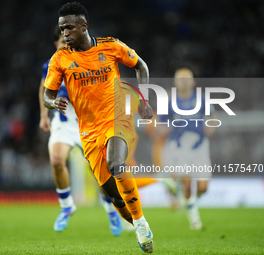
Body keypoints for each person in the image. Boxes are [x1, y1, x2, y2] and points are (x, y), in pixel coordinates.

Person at [43, 2, 154, 253]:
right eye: (62, 29)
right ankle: (139, 221)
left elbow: (141, 65)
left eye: (70, 28)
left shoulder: (111, 46)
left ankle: (139, 222)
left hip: (117, 117)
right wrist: (53, 103)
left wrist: (145, 99)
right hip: (88, 130)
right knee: (114, 196)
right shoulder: (60, 59)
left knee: (116, 164)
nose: (65, 34)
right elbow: (46, 95)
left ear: (84, 26)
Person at [39, 25, 122, 236]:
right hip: (64, 122)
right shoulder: (52, 64)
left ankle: (110, 210)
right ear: (56, 44)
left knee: (98, 171)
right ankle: (67, 205)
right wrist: (43, 115)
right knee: (57, 160)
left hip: (89, 121)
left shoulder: (87, 58)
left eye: (69, 41)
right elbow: (44, 89)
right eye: (62, 41)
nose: (66, 44)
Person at [158, 67, 217, 229]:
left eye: (186, 79)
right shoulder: (169, 101)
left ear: (193, 82)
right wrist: (164, 129)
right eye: (180, 79)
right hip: (179, 147)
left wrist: (210, 126)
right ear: (175, 82)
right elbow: (160, 122)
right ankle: (195, 220)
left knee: (203, 188)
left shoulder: (201, 99)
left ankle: (185, 200)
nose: (184, 82)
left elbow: (212, 115)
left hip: (200, 146)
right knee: (187, 180)